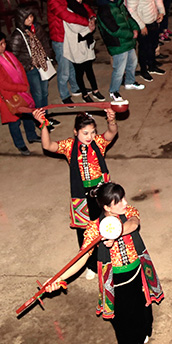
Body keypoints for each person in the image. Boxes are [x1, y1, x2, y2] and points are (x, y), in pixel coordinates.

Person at [42, 183, 163, 344]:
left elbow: (134, 223)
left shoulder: (128, 212)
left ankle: (143, 332)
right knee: (123, 318)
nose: (124, 203)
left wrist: (115, 232)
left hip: (138, 271)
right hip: (117, 281)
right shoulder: (94, 229)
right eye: (118, 201)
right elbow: (81, 259)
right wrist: (58, 279)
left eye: (123, 198)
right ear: (106, 207)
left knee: (143, 305)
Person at [33, 108, 118, 256]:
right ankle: (90, 261)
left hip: (101, 190)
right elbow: (48, 146)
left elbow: (112, 132)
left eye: (93, 132)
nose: (90, 136)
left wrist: (111, 120)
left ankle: (108, 257)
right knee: (84, 229)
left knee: (106, 223)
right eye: (85, 133)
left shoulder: (98, 142)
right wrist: (43, 125)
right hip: (81, 193)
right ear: (75, 132)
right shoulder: (69, 146)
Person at [0, 31, 39, 155]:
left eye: (4, 43)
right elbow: (3, 84)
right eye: (0, 44)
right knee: (14, 122)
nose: (4, 46)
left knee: (28, 114)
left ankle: (31, 135)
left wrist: (26, 86)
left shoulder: (9, 55)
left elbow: (21, 69)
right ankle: (20, 144)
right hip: (8, 96)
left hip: (21, 91)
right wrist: (23, 88)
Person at [97, 0, 143, 98]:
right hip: (117, 43)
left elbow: (128, 17)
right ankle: (113, 91)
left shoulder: (118, 2)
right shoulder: (104, 10)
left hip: (127, 41)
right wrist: (131, 34)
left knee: (132, 62)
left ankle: (130, 82)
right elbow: (114, 30)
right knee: (119, 69)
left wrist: (135, 28)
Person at [47, 0, 89, 104]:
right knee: (64, 69)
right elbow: (67, 16)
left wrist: (91, 16)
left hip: (70, 37)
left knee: (72, 65)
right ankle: (64, 95)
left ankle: (75, 88)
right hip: (60, 39)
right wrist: (86, 22)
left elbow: (81, 5)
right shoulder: (53, 1)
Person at [8, 9, 55, 123]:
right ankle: (40, 120)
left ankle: (46, 117)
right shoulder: (18, 35)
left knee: (44, 92)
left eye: (31, 16)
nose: (30, 20)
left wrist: (47, 57)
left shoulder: (37, 28)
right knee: (37, 95)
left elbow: (45, 42)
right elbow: (13, 57)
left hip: (42, 65)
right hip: (31, 69)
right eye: (27, 18)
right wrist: (28, 66)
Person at [63, 0, 105, 102]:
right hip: (77, 46)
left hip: (86, 44)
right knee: (79, 72)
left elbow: (90, 17)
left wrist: (91, 22)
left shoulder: (82, 8)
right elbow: (76, 28)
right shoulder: (68, 13)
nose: (79, 0)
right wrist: (89, 27)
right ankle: (84, 94)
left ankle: (95, 90)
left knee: (89, 69)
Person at [126, 0, 165, 80]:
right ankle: (144, 69)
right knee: (143, 48)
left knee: (153, 44)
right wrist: (141, 25)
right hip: (143, 24)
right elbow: (131, 10)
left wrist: (161, 11)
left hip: (153, 20)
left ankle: (152, 65)